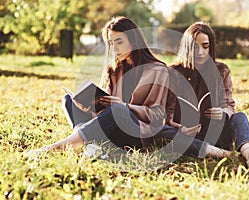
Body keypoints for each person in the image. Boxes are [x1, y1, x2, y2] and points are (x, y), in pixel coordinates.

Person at [29, 16, 169, 155]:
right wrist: (89, 108)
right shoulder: (113, 70)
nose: (115, 49)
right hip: (112, 129)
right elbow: (105, 111)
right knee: (69, 100)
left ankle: (57, 147)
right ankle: (91, 145)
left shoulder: (158, 70)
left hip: (138, 133)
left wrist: (125, 107)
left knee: (118, 110)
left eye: (119, 42)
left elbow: (158, 115)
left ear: (134, 40)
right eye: (111, 43)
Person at [153, 22, 249, 170]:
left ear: (211, 47)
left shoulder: (221, 71)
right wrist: (179, 128)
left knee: (239, 117)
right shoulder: (172, 73)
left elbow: (229, 105)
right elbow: (165, 116)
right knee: (162, 133)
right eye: (195, 47)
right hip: (187, 136)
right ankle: (226, 155)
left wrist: (223, 113)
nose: (200, 52)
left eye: (205, 46)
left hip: (215, 131)